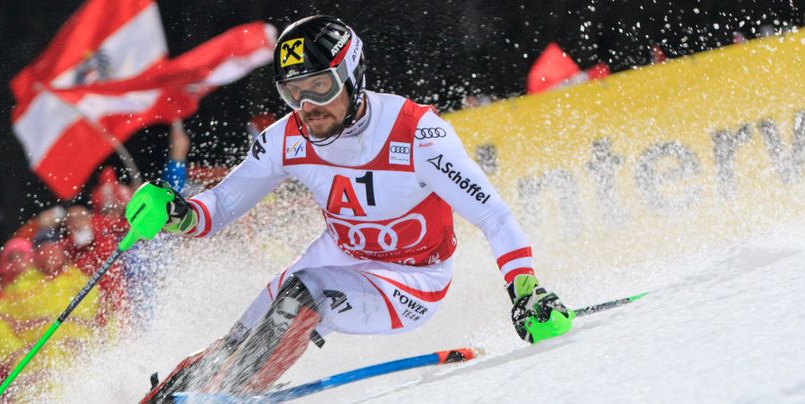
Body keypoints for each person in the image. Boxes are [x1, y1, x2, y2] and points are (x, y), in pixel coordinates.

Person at [133, 16, 576, 402]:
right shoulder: (287, 137)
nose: (308, 107)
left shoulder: (417, 134)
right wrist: (177, 212)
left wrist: (525, 290)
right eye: (293, 93)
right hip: (341, 254)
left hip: (413, 277)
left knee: (305, 293)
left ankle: (228, 397)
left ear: (352, 75)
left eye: (320, 87)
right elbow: (220, 206)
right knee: (234, 344)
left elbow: (493, 215)